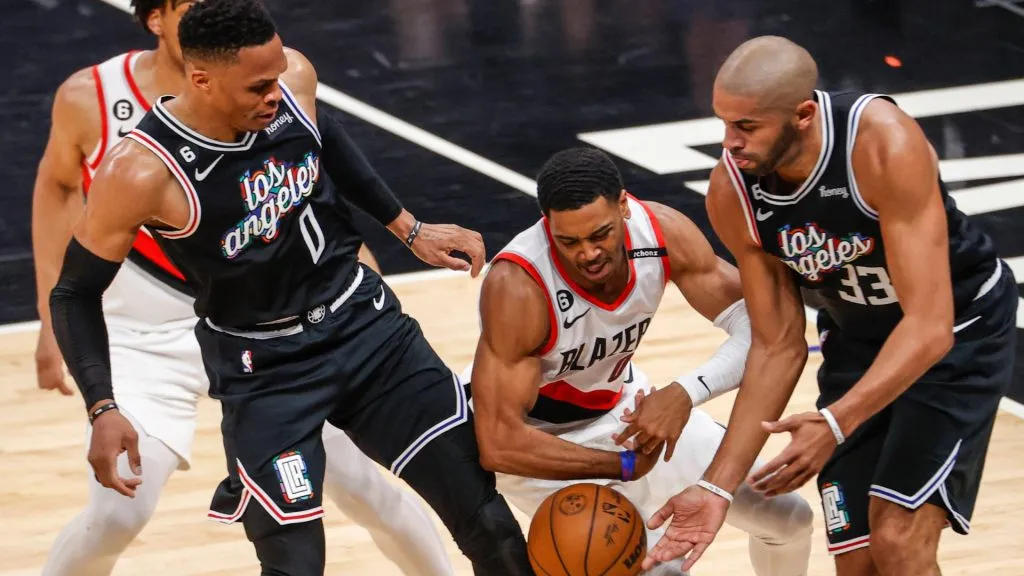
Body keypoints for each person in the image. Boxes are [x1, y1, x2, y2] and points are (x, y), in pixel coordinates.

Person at [46, 1, 533, 574]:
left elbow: (325, 135)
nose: (275, 95)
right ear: (201, 80)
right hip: (267, 373)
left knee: (491, 526)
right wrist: (102, 405)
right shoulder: (141, 173)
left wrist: (408, 227)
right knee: (294, 567)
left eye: (277, 76)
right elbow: (74, 293)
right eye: (257, 87)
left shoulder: (292, 82)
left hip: (368, 332)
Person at [641, 36, 1017, 576]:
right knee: (858, 561)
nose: (730, 143)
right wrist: (715, 489)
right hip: (858, 343)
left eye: (747, 127)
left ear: (802, 115)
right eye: (723, 123)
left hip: (958, 337)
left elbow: (930, 327)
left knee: (898, 540)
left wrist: (835, 423)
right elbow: (776, 346)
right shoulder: (734, 192)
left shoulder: (882, 144)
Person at [465, 147, 814, 575]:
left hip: (626, 414)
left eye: (600, 235)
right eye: (568, 241)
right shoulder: (518, 286)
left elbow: (768, 331)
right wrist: (624, 466)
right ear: (546, 225)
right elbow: (500, 443)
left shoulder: (661, 234)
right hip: (545, 447)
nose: (588, 253)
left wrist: (685, 392)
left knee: (790, 518)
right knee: (657, 571)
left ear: (624, 206)